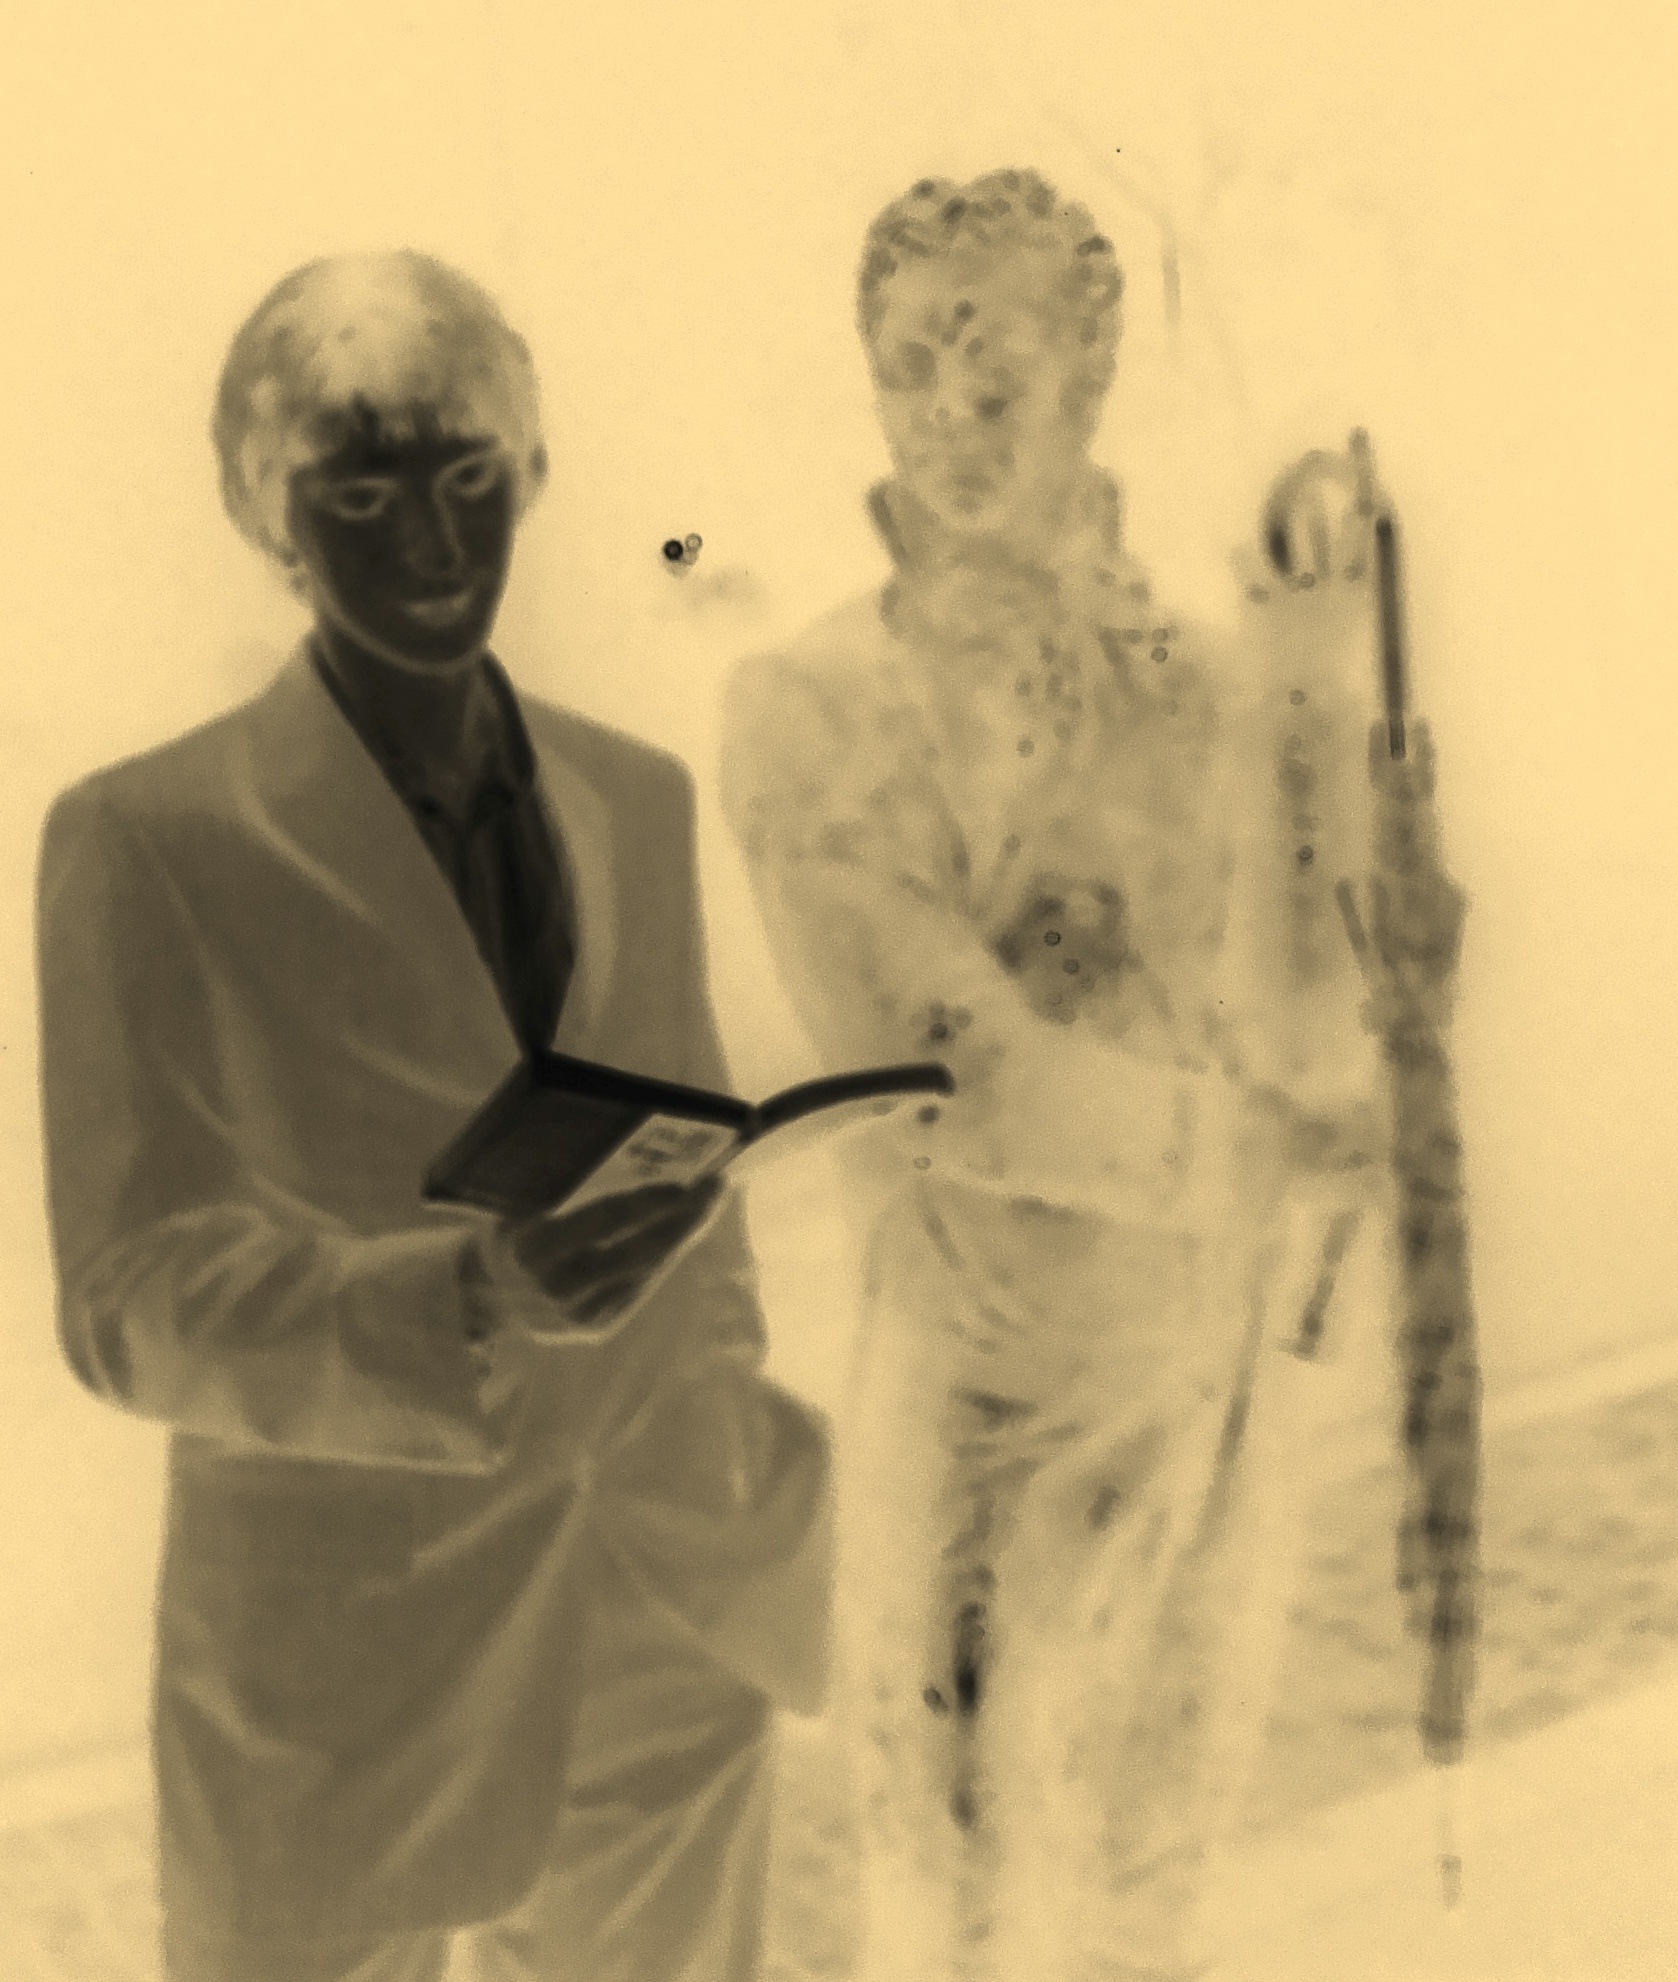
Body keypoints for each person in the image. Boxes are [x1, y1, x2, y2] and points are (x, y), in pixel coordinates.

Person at [34, 250, 832, 1982]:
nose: (432, 542)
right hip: (334, 1691)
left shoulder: (632, 791)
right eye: (362, 494)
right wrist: (467, 1296)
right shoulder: (144, 837)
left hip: (660, 1635)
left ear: (530, 474)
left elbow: (696, 1181)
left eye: (470, 477)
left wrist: (718, 1446)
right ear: (272, 516)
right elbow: (126, 1299)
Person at [719, 172, 1383, 1981]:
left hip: (1214, 1397)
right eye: (904, 364)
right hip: (985, 1421)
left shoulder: (1212, 681)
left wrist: (1311, 697)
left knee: (1150, 1904)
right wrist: (1282, 1144)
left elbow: (1316, 1001)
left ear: (1091, 368)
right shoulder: (813, 704)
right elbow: (958, 1072)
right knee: (959, 1910)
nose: (945, 407)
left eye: (988, 357)